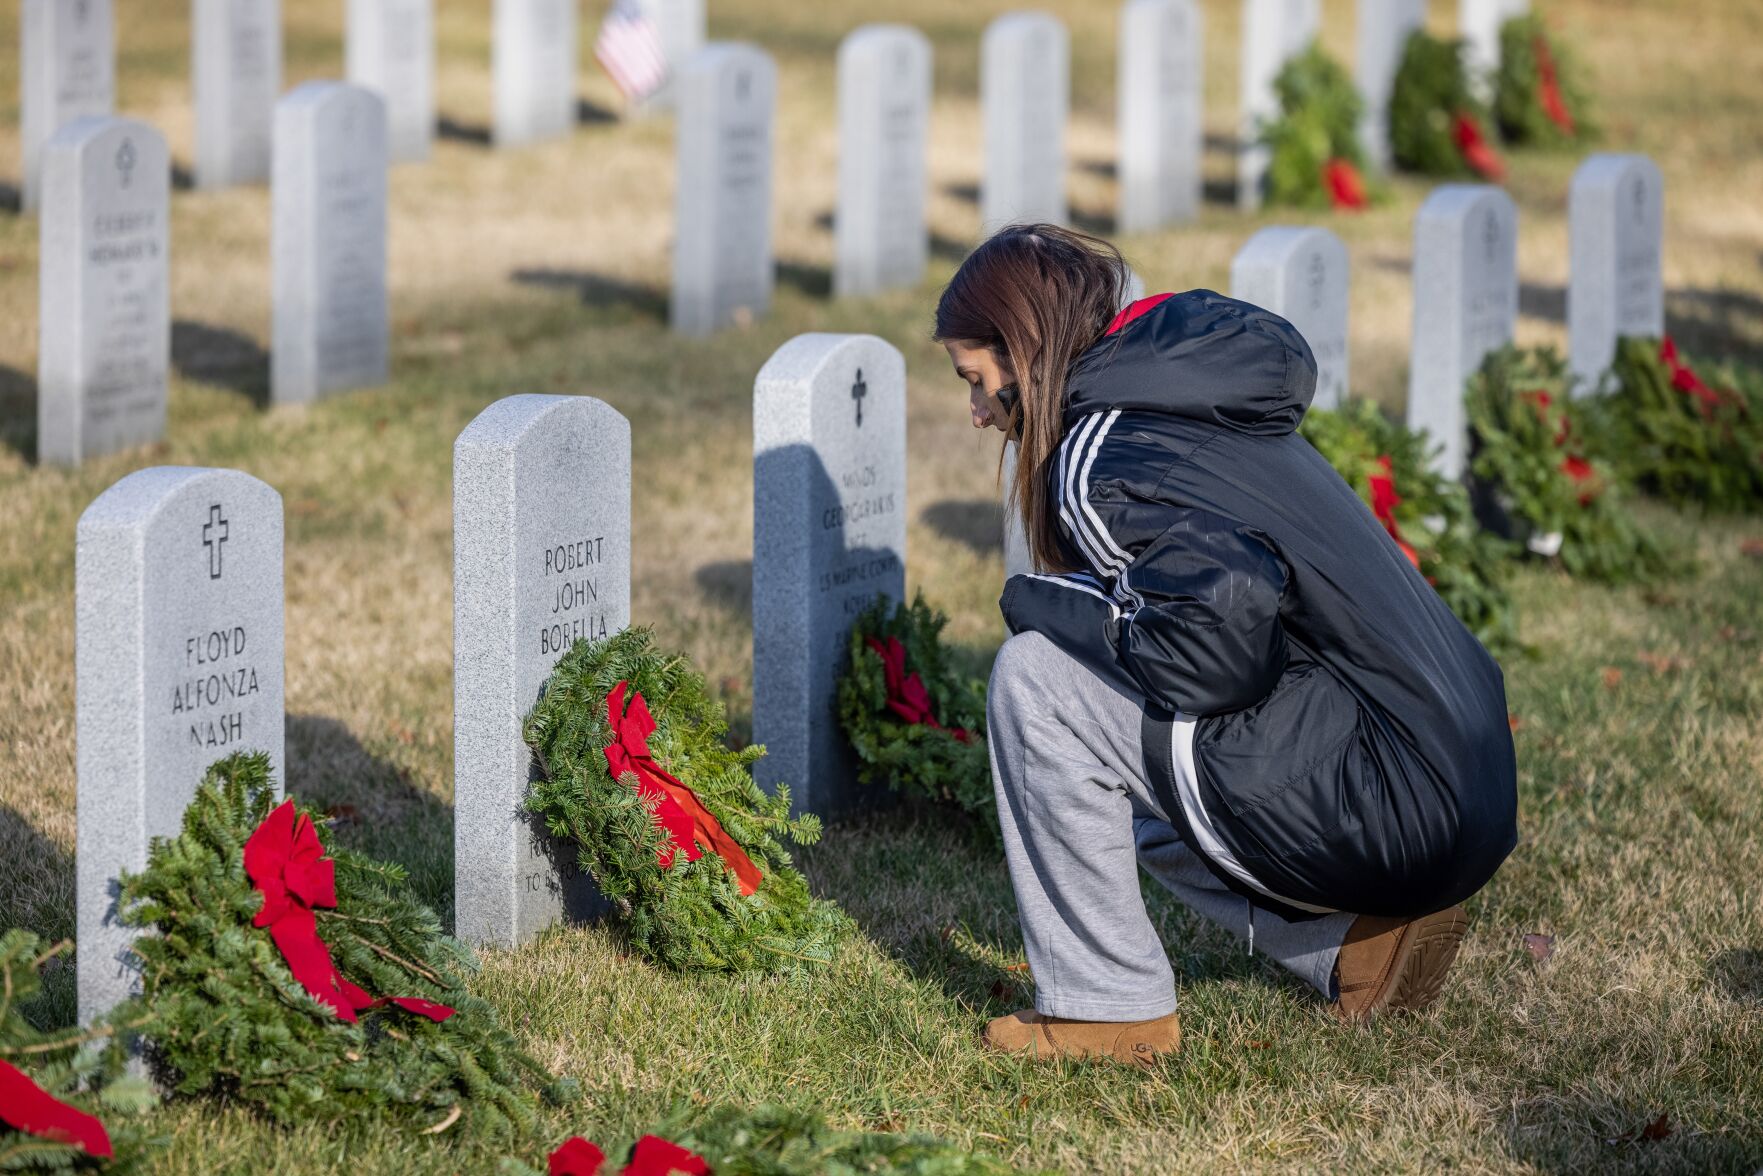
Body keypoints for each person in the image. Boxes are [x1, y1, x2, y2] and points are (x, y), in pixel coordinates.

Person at [937, 225, 1518, 1068]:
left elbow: (1218, 646)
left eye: (976, 380)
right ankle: (1352, 945)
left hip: (1397, 796)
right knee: (1130, 766)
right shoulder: (1188, 393)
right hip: (1459, 777)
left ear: (1023, 354)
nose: (975, 410)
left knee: (1037, 682)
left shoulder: (1096, 456)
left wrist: (1048, 608)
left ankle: (1109, 1008)